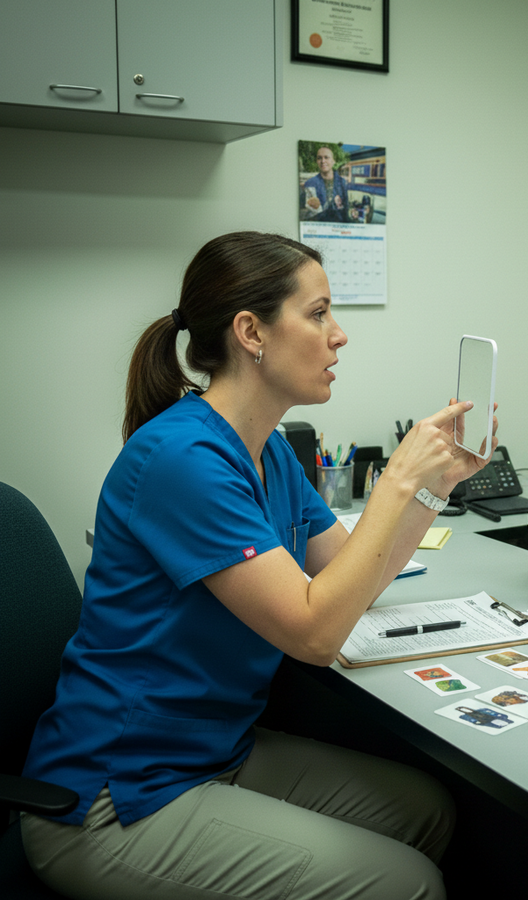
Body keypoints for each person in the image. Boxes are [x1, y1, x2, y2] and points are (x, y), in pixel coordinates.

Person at [21, 231, 498, 900]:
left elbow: (353, 569)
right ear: (251, 332)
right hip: (116, 794)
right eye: (319, 312)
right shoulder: (182, 459)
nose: (340, 336)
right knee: (406, 884)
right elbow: (314, 632)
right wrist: (391, 483)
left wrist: (432, 486)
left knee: (428, 810)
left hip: (214, 752)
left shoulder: (267, 450)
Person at [300, 146, 349, 222]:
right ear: (317, 161)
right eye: (319, 158)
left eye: (326, 157)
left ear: (333, 161)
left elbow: (346, 210)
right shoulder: (310, 183)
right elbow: (310, 213)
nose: (323, 161)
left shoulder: (342, 183)